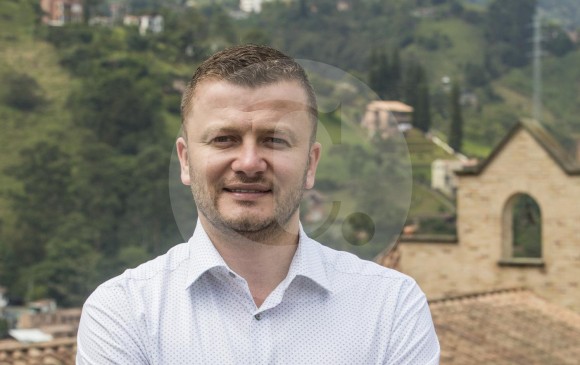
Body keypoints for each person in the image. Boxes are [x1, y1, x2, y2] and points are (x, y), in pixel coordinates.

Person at [76, 44, 440, 364]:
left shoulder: (391, 307)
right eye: (224, 139)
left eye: (275, 140)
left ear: (310, 164)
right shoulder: (123, 312)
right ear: (185, 161)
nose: (249, 162)